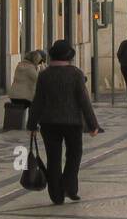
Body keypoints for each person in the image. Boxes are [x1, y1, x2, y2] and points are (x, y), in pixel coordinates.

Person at [26, 40, 100, 205]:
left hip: (48, 124)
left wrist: (32, 125)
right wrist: (93, 125)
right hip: (72, 123)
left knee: (53, 159)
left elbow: (37, 102)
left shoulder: (44, 75)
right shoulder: (76, 74)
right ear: (69, 56)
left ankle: (56, 195)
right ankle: (69, 186)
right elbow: (84, 101)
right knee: (74, 155)